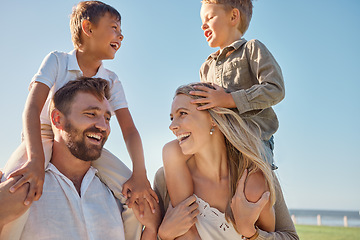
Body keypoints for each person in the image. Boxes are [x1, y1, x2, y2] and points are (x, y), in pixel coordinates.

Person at [2, 0, 157, 220]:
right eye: (114, 28)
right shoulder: (57, 60)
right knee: (15, 188)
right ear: (88, 28)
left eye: (121, 31)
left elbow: (129, 130)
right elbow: (32, 107)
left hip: (88, 143)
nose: (121, 36)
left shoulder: (111, 81)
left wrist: (140, 174)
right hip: (44, 137)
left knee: (134, 196)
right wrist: (36, 159)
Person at [164, 0, 285, 232]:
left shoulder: (252, 49)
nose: (203, 26)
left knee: (255, 189)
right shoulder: (205, 68)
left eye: (209, 18)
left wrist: (230, 100)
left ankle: (254, 227)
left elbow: (275, 88)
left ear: (233, 17)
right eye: (201, 21)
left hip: (254, 139)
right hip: (221, 142)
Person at [1, 78, 161, 240]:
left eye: (107, 118)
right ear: (57, 119)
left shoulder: (119, 197)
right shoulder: (19, 194)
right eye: (91, 114)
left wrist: (152, 231)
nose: (103, 126)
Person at [158, 83, 298, 239]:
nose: (172, 126)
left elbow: (291, 236)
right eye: (172, 118)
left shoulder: (255, 179)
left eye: (182, 113)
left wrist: (251, 232)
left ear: (213, 119)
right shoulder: (165, 178)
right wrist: (164, 235)